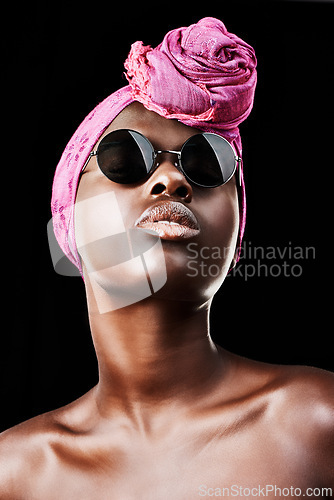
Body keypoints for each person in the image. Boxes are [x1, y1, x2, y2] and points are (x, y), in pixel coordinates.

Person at [0, 17, 333, 500]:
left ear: (237, 231)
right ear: (65, 217)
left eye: (207, 164)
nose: (172, 182)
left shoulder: (316, 423)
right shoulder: (15, 474)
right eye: (125, 159)